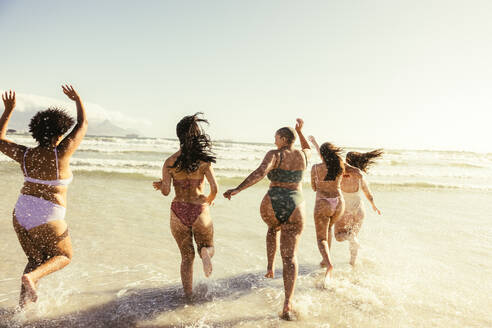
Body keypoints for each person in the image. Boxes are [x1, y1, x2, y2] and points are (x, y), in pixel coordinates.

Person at [0, 86, 88, 307]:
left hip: (21, 212)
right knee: (64, 256)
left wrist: (8, 110)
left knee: (35, 260)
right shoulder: (62, 152)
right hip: (47, 214)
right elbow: (82, 125)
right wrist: (77, 99)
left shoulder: (26, 154)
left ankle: (23, 311)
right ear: (60, 134)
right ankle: (31, 278)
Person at [223, 119, 310, 320]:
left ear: (282, 138)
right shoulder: (304, 155)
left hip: (273, 200)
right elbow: (306, 146)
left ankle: (270, 266)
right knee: (290, 257)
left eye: (276, 137)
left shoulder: (275, 154)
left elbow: (260, 173)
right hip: (296, 203)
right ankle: (288, 302)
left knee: (272, 228)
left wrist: (237, 189)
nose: (274, 141)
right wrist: (300, 131)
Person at [153, 113, 217, 300]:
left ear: (179, 135)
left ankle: (188, 296)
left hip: (178, 211)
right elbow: (215, 188)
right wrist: (210, 199)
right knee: (207, 246)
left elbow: (166, 192)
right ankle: (205, 253)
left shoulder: (170, 162)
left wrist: (161, 185)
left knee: (186, 258)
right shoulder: (204, 161)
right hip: (199, 209)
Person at [310, 136, 382, 266]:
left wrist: (316, 145)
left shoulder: (340, 172)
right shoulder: (359, 176)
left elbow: (325, 160)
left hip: (344, 209)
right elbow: (368, 194)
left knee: (339, 236)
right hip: (359, 209)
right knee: (353, 236)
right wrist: (373, 205)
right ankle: (352, 262)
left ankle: (340, 249)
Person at [308, 136, 345, 286]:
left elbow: (314, 187)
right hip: (339, 203)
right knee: (329, 228)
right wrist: (317, 145)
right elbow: (326, 157)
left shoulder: (316, 168)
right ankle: (325, 259)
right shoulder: (340, 166)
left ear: (322, 155)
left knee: (321, 238)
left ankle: (329, 264)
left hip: (323, 202)